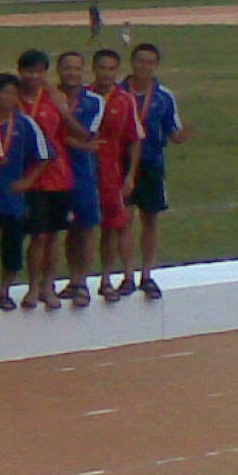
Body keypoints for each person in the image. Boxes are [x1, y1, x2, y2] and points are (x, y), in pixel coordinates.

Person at [123, 43, 192, 299]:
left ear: (156, 66)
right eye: (141, 61)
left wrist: (183, 136)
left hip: (151, 164)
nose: (145, 67)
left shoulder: (163, 96)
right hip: (120, 164)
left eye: (150, 63)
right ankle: (127, 275)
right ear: (132, 63)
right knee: (124, 221)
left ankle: (147, 274)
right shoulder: (118, 92)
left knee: (150, 219)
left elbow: (173, 132)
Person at [16, 49, 81, 310]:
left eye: (39, 71)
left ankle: (48, 286)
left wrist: (63, 109)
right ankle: (33, 287)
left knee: (53, 235)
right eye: (29, 71)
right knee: (37, 236)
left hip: (57, 176)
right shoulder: (13, 97)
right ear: (20, 72)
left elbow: (73, 132)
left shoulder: (54, 97)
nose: (34, 76)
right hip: (29, 177)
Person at [0, 73, 48, 311]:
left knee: (12, 246)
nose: (9, 98)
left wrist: (27, 181)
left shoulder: (25, 123)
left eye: (13, 93)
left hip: (12, 197)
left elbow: (44, 155)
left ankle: (5, 289)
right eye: (4, 92)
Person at [91, 49, 144, 300]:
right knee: (83, 228)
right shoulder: (85, 96)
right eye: (102, 68)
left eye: (111, 69)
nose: (107, 73)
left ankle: (110, 278)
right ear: (94, 69)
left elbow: (135, 139)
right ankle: (80, 281)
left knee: (114, 225)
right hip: (85, 168)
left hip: (112, 170)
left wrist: (130, 175)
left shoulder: (125, 100)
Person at [57, 52, 105, 307]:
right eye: (67, 68)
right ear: (59, 70)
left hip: (82, 174)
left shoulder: (94, 101)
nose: (72, 73)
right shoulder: (48, 97)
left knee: (84, 228)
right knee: (63, 231)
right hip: (54, 174)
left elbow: (87, 135)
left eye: (77, 68)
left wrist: (64, 115)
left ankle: (81, 282)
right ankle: (70, 280)